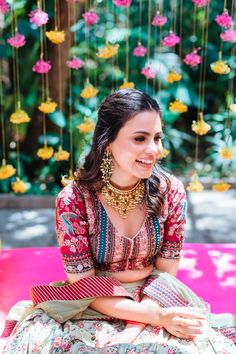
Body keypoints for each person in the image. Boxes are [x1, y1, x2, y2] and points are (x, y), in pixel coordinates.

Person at [1, 89, 236, 353]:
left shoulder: (170, 192)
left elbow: (167, 274)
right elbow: (84, 285)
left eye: (157, 138)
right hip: (89, 302)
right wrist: (154, 319)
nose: (153, 150)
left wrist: (141, 323)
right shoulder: (74, 200)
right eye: (140, 138)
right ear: (107, 141)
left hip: (157, 296)